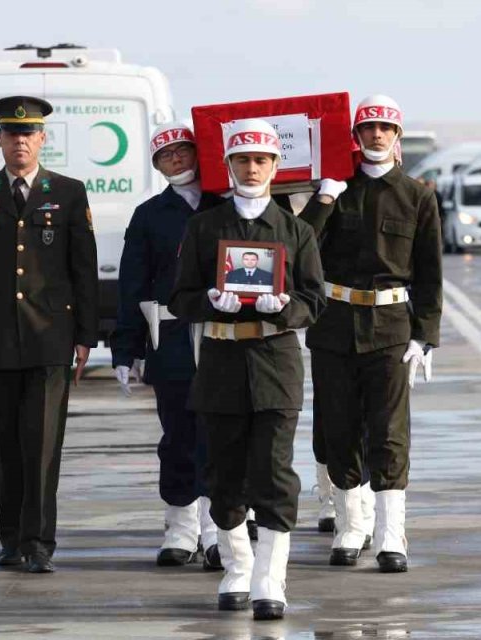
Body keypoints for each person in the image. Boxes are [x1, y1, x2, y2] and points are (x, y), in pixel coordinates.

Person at [169, 118, 325, 621]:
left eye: (261, 160)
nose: (252, 168)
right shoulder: (204, 228)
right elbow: (179, 297)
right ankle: (237, 567)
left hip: (275, 363)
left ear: (276, 166)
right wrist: (210, 301)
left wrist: (286, 307)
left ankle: (269, 578)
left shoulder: (296, 231)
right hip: (220, 364)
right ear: (228, 165)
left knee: (275, 473)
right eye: (242, 160)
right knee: (223, 473)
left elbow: (314, 300)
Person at [0, 96, 99, 575]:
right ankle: (10, 539)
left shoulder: (69, 193)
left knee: (43, 445)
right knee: (4, 444)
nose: (20, 141)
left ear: (42, 139)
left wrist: (86, 335)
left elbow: (84, 270)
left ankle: (38, 543)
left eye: (28, 134)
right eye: (12, 134)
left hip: (50, 337)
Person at [298, 94, 442, 574]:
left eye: (385, 127)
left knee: (389, 431)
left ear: (397, 135)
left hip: (391, 327)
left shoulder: (418, 196)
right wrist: (325, 197)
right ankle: (350, 525)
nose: (376, 134)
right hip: (335, 324)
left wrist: (424, 335)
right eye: (368, 127)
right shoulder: (336, 189)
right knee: (339, 426)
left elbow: (430, 273)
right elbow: (298, 245)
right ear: (356, 135)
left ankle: (390, 533)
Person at [113, 121, 226, 570]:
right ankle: (181, 528)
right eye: (166, 155)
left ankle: (219, 530)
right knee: (178, 434)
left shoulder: (227, 204)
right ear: (156, 165)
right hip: (172, 337)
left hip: (221, 335)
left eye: (182, 150)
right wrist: (126, 349)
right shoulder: (148, 215)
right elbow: (132, 284)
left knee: (218, 434)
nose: (175, 159)